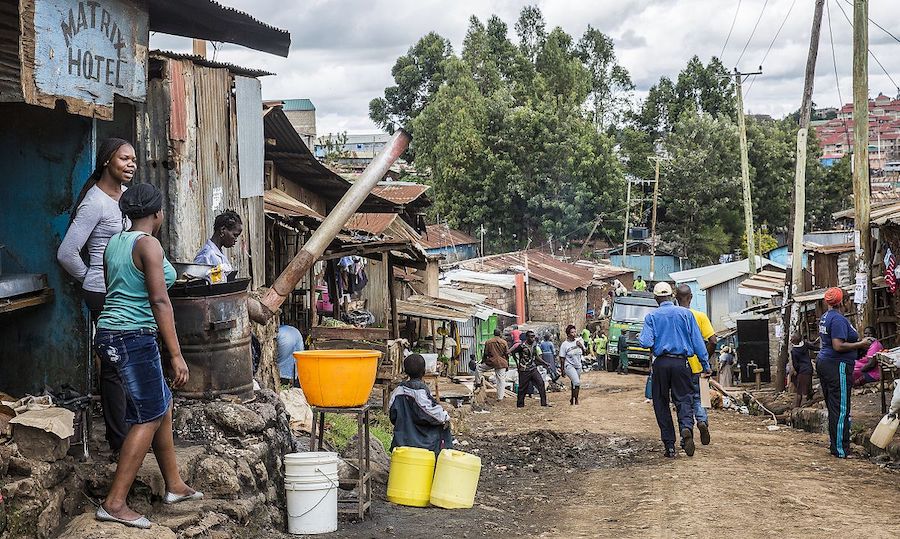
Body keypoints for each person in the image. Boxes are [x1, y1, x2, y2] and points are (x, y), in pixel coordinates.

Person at [94, 184, 199, 529]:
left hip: (111, 332)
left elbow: (116, 289)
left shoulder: (114, 243)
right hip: (132, 337)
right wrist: (177, 354)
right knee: (149, 415)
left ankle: (174, 485)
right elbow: (158, 301)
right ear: (158, 214)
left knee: (160, 403)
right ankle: (115, 502)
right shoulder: (149, 244)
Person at [57, 137, 135, 453]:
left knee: (128, 362)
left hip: (124, 290)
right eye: (124, 159)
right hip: (103, 292)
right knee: (115, 366)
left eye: (133, 160)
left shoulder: (127, 198)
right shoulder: (95, 202)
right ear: (106, 161)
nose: (131, 165)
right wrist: (91, 277)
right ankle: (119, 440)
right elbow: (67, 252)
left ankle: (126, 431)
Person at [639, 282, 709, 458]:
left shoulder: (651, 317)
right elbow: (698, 342)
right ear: (671, 296)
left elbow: (646, 342)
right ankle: (686, 430)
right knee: (684, 399)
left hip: (661, 363)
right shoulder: (686, 314)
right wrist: (705, 365)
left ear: (656, 299)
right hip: (681, 363)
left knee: (661, 403)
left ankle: (669, 446)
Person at [817, 287, 874, 458]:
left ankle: (836, 445)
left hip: (825, 363)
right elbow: (838, 345)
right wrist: (861, 344)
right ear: (843, 302)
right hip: (837, 365)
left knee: (834, 407)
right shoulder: (838, 319)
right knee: (841, 408)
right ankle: (841, 450)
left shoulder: (826, 317)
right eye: (848, 300)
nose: (850, 304)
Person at [675, 285, 716, 446]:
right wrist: (705, 359)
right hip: (700, 366)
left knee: (683, 400)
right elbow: (713, 340)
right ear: (691, 297)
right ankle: (703, 422)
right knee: (702, 398)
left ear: (676, 298)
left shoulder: (674, 316)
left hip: (680, 366)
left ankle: (686, 430)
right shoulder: (700, 316)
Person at [389, 354, 453, 458]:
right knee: (444, 424)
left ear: (405, 372)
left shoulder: (397, 391)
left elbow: (392, 416)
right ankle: (441, 460)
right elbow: (433, 413)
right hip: (422, 443)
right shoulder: (420, 391)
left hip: (401, 440)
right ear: (424, 372)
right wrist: (445, 417)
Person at [194, 210, 243, 282]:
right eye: (235, 235)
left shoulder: (218, 253)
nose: (235, 240)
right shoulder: (206, 256)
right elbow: (198, 285)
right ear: (223, 230)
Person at [510, 331, 550, 408]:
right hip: (524, 369)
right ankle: (520, 404)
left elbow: (536, 356)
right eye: (531, 337)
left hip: (533, 368)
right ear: (527, 337)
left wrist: (544, 363)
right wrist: (518, 364)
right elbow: (513, 353)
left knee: (541, 383)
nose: (533, 338)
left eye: (533, 337)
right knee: (522, 388)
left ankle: (544, 403)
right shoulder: (522, 346)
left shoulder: (534, 345)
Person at [475, 329, 510, 401]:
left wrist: (483, 362)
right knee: (501, 380)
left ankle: (478, 384)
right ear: (500, 334)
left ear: (493, 334)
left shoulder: (488, 342)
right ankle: (500, 397)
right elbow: (507, 354)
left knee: (478, 368)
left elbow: (485, 354)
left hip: (491, 361)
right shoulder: (504, 342)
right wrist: (507, 364)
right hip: (501, 362)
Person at [558, 325, 586, 405]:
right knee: (576, 382)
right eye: (572, 332)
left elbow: (585, 353)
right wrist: (562, 370)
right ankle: (576, 401)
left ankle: (573, 398)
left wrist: (581, 347)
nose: (574, 334)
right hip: (569, 365)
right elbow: (562, 358)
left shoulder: (579, 341)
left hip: (578, 365)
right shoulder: (565, 344)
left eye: (575, 332)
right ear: (568, 334)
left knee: (575, 383)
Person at [790, 334, 819, 408]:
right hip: (809, 369)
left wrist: (797, 371)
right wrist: (821, 349)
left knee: (800, 391)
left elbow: (795, 364)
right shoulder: (804, 344)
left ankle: (799, 407)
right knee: (808, 387)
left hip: (802, 371)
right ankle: (807, 403)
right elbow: (814, 348)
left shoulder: (794, 351)